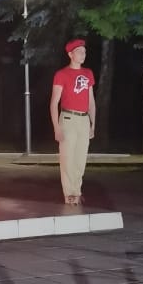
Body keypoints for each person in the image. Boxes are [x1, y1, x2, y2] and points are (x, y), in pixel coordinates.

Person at [50, 39, 96, 205]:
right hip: (68, 118)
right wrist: (56, 127)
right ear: (70, 54)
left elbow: (91, 101)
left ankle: (77, 191)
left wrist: (93, 124)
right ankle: (69, 193)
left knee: (80, 159)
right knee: (67, 158)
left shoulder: (88, 73)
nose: (83, 54)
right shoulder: (62, 74)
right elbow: (54, 103)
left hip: (84, 120)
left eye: (84, 52)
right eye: (79, 52)